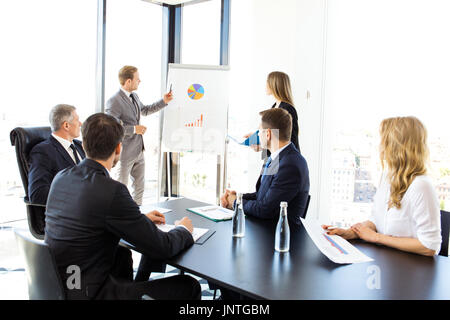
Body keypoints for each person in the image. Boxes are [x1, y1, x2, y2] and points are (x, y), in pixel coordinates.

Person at [44, 113, 201, 300]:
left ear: (84, 145)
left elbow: (92, 217)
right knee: (188, 286)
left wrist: (139, 220)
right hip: (89, 293)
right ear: (119, 148)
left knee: (122, 255)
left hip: (60, 284)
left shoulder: (61, 177)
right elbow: (162, 247)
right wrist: (183, 229)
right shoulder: (112, 191)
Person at [323, 116, 442, 256]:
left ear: (397, 145)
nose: (380, 146)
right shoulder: (387, 176)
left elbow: (429, 246)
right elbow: (376, 220)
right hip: (386, 261)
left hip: (412, 270)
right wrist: (351, 233)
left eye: (384, 140)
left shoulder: (422, 186)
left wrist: (377, 238)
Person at [221, 108, 310, 227]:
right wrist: (237, 197)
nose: (257, 135)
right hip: (265, 228)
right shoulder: (275, 158)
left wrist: (235, 202)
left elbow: (265, 209)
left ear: (267, 134)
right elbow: (262, 196)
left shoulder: (290, 165)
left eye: (259, 131)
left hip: (279, 237)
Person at [105, 65, 173, 206]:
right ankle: (118, 217)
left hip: (139, 150)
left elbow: (146, 110)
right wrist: (134, 129)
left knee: (139, 188)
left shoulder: (134, 96)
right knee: (120, 189)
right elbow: (112, 127)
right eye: (137, 79)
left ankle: (137, 216)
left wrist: (164, 102)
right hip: (124, 153)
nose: (139, 81)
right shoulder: (114, 101)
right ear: (128, 81)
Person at [28, 104, 85, 206]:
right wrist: (79, 196)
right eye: (77, 120)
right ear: (66, 125)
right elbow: (38, 194)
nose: (80, 123)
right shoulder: (43, 152)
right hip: (69, 214)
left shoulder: (81, 146)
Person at [245, 71, 300, 157]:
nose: (266, 85)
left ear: (274, 85)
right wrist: (259, 143)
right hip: (273, 159)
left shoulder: (288, 109)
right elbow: (273, 138)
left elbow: (287, 140)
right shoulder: (274, 106)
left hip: (283, 159)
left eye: (267, 82)